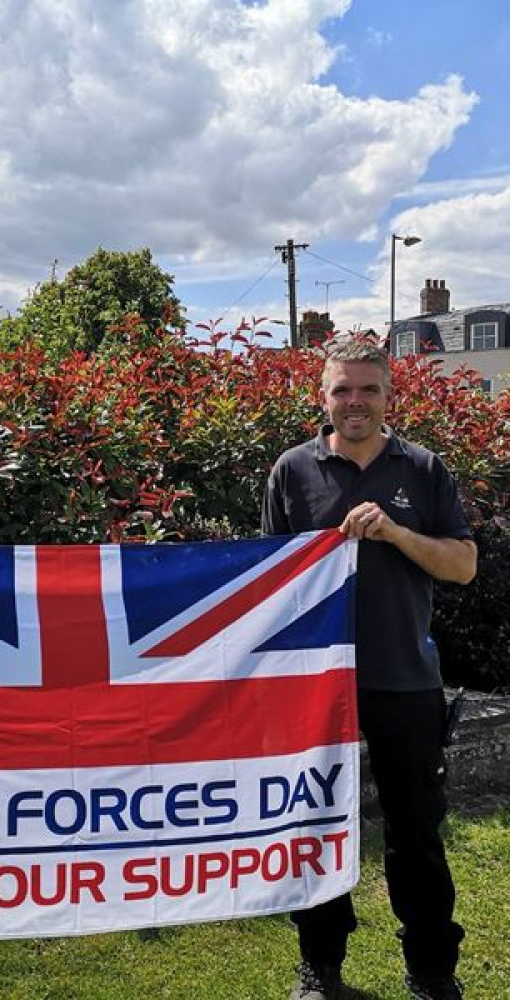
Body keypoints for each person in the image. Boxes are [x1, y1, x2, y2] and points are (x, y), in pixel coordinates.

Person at [262, 337, 477, 1000]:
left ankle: (433, 973)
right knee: (316, 830)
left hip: (405, 679)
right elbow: (267, 582)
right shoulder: (291, 471)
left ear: (389, 396)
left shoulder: (423, 468)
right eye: (341, 390)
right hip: (318, 687)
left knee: (417, 834)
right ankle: (321, 970)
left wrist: (395, 533)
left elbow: (464, 566)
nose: (354, 402)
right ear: (322, 398)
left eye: (368, 390)